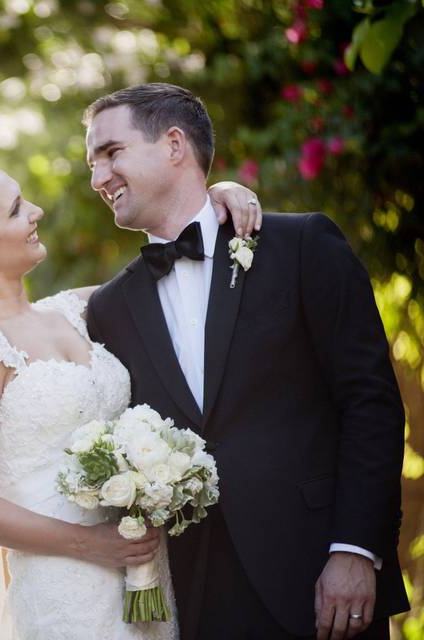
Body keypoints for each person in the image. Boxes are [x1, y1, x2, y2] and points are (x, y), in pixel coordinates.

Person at [0, 148, 261, 639]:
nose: (36, 212)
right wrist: (89, 544)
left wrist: (215, 199)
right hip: (65, 588)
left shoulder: (73, 311)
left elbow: (173, 269)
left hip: (142, 572)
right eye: (17, 208)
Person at [83, 83, 408, 640]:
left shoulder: (301, 245)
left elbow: (370, 401)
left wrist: (356, 549)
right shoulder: (108, 308)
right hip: (198, 596)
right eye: (91, 164)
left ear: (174, 144)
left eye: (111, 153)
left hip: (322, 578)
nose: (97, 179)